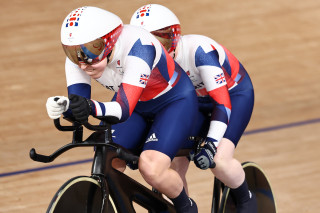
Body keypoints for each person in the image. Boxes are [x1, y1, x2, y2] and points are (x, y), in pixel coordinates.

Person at [45, 6, 199, 213]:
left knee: (151, 167)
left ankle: (186, 207)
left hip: (173, 103)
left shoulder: (139, 47)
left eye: (92, 50)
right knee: (108, 156)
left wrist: (89, 106)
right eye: (73, 52)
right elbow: (80, 105)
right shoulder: (79, 57)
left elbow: (122, 110)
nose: (82, 62)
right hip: (136, 103)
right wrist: (64, 107)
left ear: (110, 41)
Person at [130, 4, 257, 213]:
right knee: (171, 162)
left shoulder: (199, 51)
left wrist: (211, 144)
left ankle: (246, 198)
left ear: (175, 36)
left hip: (233, 97)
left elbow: (222, 103)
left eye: (161, 40)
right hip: (194, 102)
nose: (156, 49)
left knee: (219, 160)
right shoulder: (144, 62)